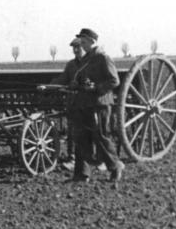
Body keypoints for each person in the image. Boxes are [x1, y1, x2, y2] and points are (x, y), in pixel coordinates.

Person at [70, 28, 125, 184]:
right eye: (81, 41)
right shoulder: (86, 59)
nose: (82, 44)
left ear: (92, 41)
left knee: (101, 137)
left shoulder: (103, 57)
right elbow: (82, 78)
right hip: (85, 103)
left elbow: (114, 81)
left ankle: (115, 168)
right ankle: (82, 174)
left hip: (100, 103)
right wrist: (76, 84)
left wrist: (96, 88)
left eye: (84, 41)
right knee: (81, 137)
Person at [49, 37, 86, 171]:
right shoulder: (71, 65)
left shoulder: (91, 63)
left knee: (92, 132)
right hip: (74, 104)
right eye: (74, 48)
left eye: (78, 47)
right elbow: (63, 78)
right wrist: (49, 86)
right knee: (72, 132)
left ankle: (95, 160)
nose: (76, 50)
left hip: (88, 104)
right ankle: (72, 159)